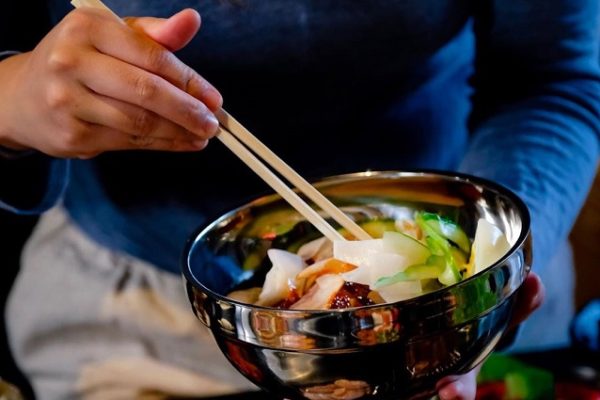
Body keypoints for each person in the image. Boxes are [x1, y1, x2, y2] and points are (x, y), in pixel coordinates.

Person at [0, 0, 597, 399]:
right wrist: (14, 99)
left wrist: (488, 279)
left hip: (463, 297)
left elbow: (556, 74)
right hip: (133, 324)